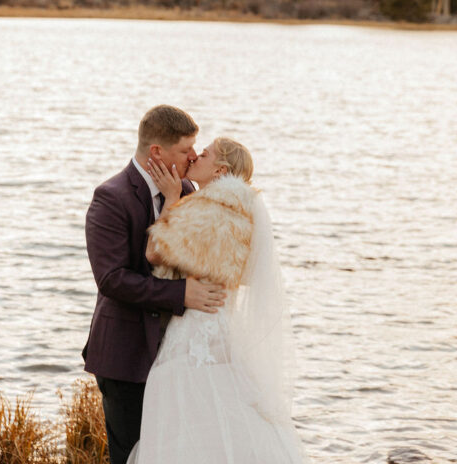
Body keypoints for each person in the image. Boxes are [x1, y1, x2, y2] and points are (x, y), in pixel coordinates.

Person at [126, 136, 306, 464]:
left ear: (220, 168)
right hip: (224, 328)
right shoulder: (244, 211)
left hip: (195, 330)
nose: (195, 156)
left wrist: (171, 197)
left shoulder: (208, 207)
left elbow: (154, 252)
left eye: (205, 154)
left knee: (180, 406)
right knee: (224, 413)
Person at [82, 105, 226, 464]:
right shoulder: (111, 197)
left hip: (177, 353)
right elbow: (112, 279)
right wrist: (182, 295)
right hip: (126, 356)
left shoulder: (189, 189)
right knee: (132, 455)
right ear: (156, 153)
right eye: (185, 149)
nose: (193, 156)